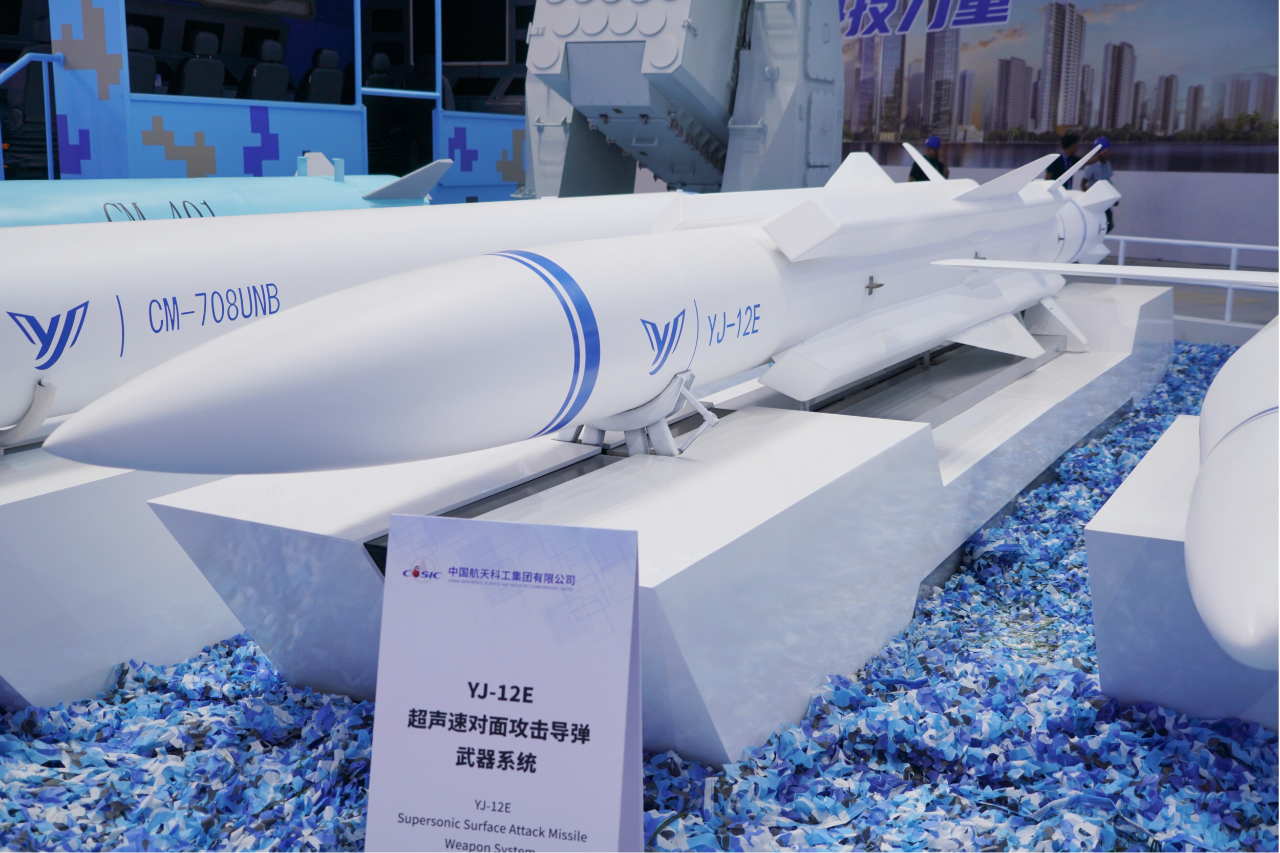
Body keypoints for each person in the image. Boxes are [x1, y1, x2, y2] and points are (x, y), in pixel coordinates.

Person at [1080, 136, 1115, 232]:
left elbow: (1108, 181)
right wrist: (1089, 197)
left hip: (1105, 200)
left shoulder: (1107, 164)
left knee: (1109, 225)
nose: (1108, 153)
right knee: (1096, 225)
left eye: (1108, 151)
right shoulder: (1091, 166)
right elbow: (1083, 184)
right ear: (1099, 152)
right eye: (1106, 151)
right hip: (1095, 201)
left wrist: (1114, 197)